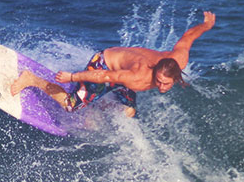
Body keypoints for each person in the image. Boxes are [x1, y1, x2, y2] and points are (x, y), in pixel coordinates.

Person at [11, 11, 216, 118]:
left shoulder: (178, 60)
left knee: (129, 111)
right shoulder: (137, 77)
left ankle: (94, 107)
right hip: (104, 66)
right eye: (159, 81)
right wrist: (72, 77)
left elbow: (188, 37)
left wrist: (206, 26)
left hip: (120, 72)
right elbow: (104, 77)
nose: (161, 86)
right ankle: (32, 79)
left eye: (166, 83)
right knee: (71, 106)